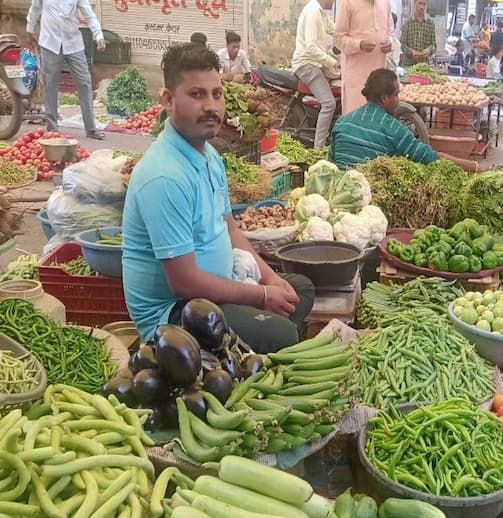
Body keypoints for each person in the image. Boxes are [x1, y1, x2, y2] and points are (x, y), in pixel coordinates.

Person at [123, 44, 314, 353]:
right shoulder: (164, 175)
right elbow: (184, 283)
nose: (211, 106)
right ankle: (248, 350)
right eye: (197, 95)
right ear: (169, 101)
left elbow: (230, 229)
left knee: (299, 289)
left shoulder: (210, 155)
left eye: (217, 94)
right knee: (282, 333)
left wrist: (268, 279)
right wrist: (262, 297)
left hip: (217, 288)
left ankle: (246, 349)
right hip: (177, 312)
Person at [329, 68, 480, 173]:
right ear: (384, 98)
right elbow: (431, 158)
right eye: (396, 94)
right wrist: (475, 167)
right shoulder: (394, 129)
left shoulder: (342, 122)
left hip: (339, 191)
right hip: (370, 196)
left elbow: (331, 163)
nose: (398, 99)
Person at [26, 0, 106, 140]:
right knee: (50, 85)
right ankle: (52, 128)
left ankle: (91, 129)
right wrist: (30, 28)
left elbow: (89, 15)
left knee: (85, 83)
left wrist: (98, 35)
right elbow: (35, 9)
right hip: (50, 43)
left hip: (73, 43)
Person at [293, 0, 339, 148]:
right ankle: (318, 148)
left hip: (316, 64)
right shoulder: (313, 12)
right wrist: (332, 62)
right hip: (307, 65)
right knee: (329, 103)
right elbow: (311, 47)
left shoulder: (321, 13)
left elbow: (336, 30)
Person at [335, 0, 394, 115]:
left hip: (379, 78)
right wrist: (359, 45)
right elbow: (338, 39)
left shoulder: (385, 3)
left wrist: (390, 43)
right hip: (356, 80)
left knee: (376, 119)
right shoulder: (348, 2)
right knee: (355, 120)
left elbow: (391, 34)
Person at [400, 0, 436, 67]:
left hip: (424, 65)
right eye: (419, 3)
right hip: (408, 65)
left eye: (424, 4)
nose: (422, 7)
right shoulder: (407, 23)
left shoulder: (431, 24)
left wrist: (429, 51)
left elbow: (434, 45)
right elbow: (402, 44)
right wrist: (411, 52)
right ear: (414, 3)